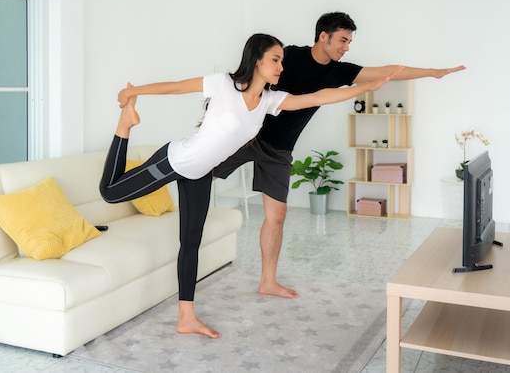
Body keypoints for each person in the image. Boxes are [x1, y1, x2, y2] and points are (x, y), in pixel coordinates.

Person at [99, 33, 402, 339]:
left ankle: (186, 317)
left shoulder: (269, 101)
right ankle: (124, 126)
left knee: (190, 243)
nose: (280, 66)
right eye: (275, 59)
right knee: (110, 193)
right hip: (176, 160)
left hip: (200, 174)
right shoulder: (223, 84)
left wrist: (365, 87)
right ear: (256, 60)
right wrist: (133, 92)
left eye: (282, 60)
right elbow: (176, 87)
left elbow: (317, 97)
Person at [213, 12, 467, 299]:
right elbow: (250, 72)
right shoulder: (289, 57)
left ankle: (267, 281)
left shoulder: (340, 71)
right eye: (343, 40)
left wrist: (432, 72)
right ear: (324, 36)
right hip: (246, 136)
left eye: (349, 41)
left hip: (279, 149)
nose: (346, 47)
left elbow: (388, 70)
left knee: (277, 216)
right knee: (200, 171)